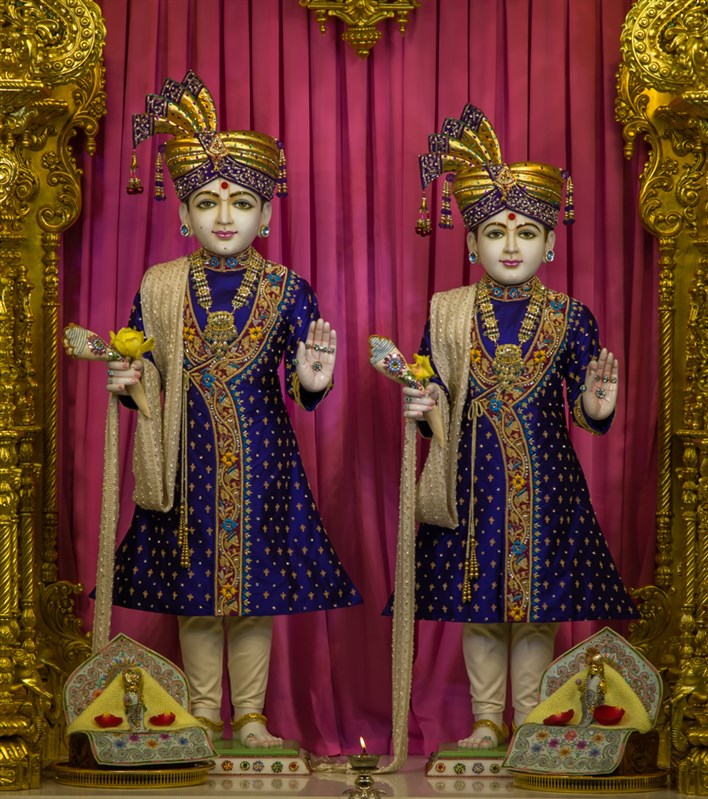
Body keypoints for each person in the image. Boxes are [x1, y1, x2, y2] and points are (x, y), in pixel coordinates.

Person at [103, 71, 361, 748]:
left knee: (254, 592)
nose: (224, 216)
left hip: (262, 462)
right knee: (193, 591)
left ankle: (249, 716)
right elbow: (143, 367)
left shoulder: (288, 288)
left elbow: (306, 386)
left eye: (241, 202)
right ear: (183, 214)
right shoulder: (160, 284)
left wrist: (312, 379)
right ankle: (201, 713)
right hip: (182, 460)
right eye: (207, 202)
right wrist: (127, 379)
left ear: (266, 215)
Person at [402, 104, 638, 749]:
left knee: (538, 609)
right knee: (480, 606)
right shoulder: (447, 311)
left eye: (527, 233)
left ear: (550, 244)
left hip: (548, 484)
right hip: (472, 480)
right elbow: (433, 391)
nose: (511, 247)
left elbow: (587, 410)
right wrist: (425, 405)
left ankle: (531, 717)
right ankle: (485, 720)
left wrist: (595, 406)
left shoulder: (571, 316)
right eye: (496, 234)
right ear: (470, 243)